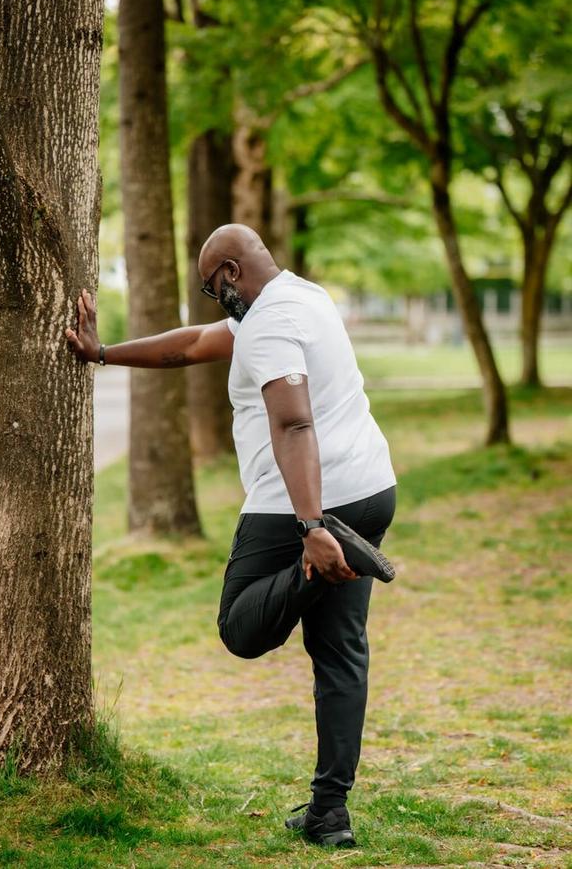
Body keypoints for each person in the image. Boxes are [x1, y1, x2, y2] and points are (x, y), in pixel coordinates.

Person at [65, 223, 397, 848]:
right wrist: (104, 353)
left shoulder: (269, 324)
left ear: (232, 273)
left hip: (303, 504)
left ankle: (315, 564)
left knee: (241, 628)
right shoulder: (303, 296)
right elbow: (191, 344)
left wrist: (311, 529)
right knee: (341, 652)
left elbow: (294, 424)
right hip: (371, 488)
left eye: (214, 289)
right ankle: (331, 814)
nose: (216, 303)